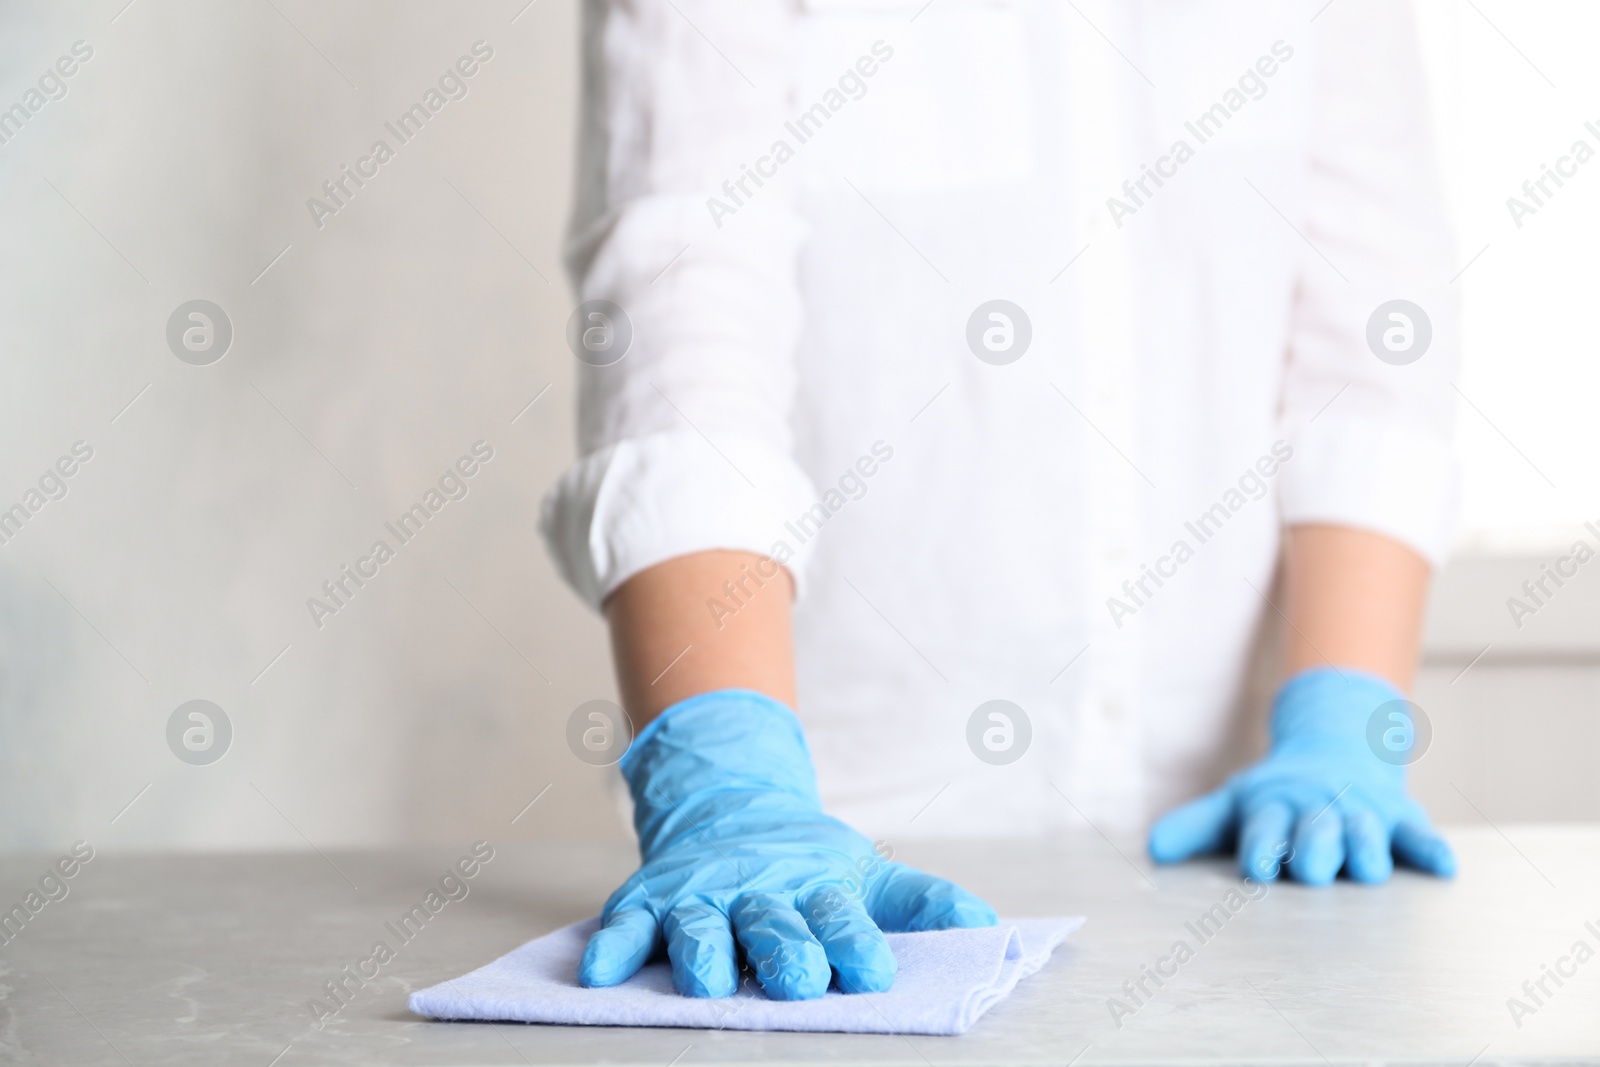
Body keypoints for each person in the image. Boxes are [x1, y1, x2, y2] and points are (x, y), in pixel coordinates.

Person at [541, 0, 1459, 1000]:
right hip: (841, 863)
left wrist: (1339, 721)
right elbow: (684, 308)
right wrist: (730, 773)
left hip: (1239, 849)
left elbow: (1369, 335)